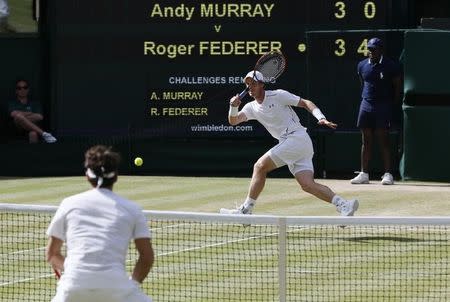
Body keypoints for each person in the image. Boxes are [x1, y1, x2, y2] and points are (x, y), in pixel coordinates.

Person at [220, 71, 359, 216]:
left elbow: (305, 103)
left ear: (262, 85)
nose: (250, 87)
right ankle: (344, 205)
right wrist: (233, 106)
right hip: (297, 144)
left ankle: (246, 210)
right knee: (307, 185)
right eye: (248, 84)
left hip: (296, 139)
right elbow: (234, 121)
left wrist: (320, 117)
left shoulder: (278, 95)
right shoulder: (250, 107)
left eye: (253, 84)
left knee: (260, 166)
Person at [45, 145, 154, 302]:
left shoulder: (68, 204)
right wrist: (133, 284)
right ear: (116, 176)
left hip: (72, 288)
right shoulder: (133, 209)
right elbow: (146, 257)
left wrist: (75, 272)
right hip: (117, 288)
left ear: (87, 176)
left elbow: (52, 254)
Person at [350, 38, 402, 185]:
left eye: (373, 49)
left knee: (383, 139)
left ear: (381, 50)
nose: (370, 52)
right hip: (366, 105)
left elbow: (397, 88)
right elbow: (363, 84)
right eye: (369, 49)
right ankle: (364, 174)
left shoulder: (391, 66)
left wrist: (390, 104)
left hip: (383, 106)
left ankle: (388, 174)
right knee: (365, 140)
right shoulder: (361, 66)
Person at [8, 78, 57, 143]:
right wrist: (30, 113)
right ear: (16, 91)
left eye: (25, 87)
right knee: (18, 117)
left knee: (32, 133)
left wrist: (22, 116)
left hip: (32, 128)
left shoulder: (35, 103)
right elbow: (13, 114)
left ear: (28, 89)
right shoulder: (12, 103)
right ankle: (44, 134)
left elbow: (40, 117)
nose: (22, 90)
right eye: (19, 88)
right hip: (17, 129)